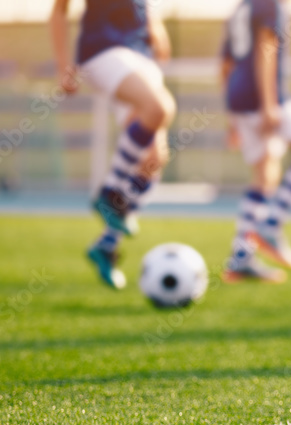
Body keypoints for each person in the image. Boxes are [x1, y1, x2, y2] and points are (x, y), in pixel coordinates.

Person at [50, 0, 177, 290]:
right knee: (160, 108)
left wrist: (156, 28)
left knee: (154, 159)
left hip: (142, 56)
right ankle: (109, 193)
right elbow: (59, 9)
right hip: (105, 50)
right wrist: (63, 65)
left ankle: (106, 245)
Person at [220, 0, 291, 284]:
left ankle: (241, 258)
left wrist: (232, 117)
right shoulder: (270, 3)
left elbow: (225, 64)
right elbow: (266, 47)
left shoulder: (241, 7)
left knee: (264, 176)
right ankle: (270, 226)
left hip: (238, 97)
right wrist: (269, 104)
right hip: (264, 96)